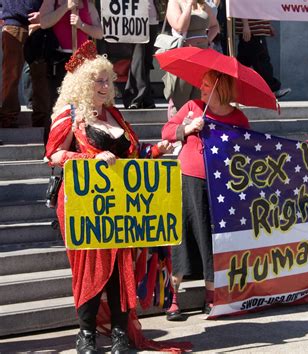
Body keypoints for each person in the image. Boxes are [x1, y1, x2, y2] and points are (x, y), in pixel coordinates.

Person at [44, 40, 175, 353]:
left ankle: (119, 333)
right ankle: (86, 334)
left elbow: (133, 155)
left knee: (120, 270)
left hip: (119, 206)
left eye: (108, 79)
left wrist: (158, 150)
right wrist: (91, 159)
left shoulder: (115, 115)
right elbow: (53, 155)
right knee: (89, 269)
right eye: (97, 80)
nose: (105, 85)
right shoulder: (70, 116)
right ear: (81, 83)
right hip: (83, 206)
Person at [161, 70, 250, 321]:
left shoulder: (238, 118)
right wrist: (188, 128)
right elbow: (166, 131)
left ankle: (211, 297)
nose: (201, 89)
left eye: (206, 85)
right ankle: (173, 298)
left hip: (221, 186)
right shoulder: (192, 107)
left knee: (212, 241)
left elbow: (246, 152)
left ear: (221, 89)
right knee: (183, 237)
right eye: (201, 84)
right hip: (188, 179)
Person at [39, 0, 102, 116]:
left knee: (81, 100)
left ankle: (78, 131)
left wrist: (81, 25)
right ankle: (56, 131)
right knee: (57, 101)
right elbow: (43, 22)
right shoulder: (52, 1)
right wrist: (65, 8)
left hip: (82, 59)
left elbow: (99, 33)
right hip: (59, 60)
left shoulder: (88, 5)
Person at [163, 0, 219, 118]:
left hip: (203, 57)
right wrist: (189, 5)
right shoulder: (174, 3)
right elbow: (180, 27)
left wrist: (207, 40)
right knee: (180, 96)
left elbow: (215, 26)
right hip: (184, 56)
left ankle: (195, 130)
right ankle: (176, 128)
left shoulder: (203, 4)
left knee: (199, 96)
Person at [0, 0, 49, 130]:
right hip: (13, 22)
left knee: (41, 73)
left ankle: (41, 118)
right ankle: (8, 116)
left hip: (40, 24)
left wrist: (44, 13)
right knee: (11, 74)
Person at [236, 18, 291, 99]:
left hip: (254, 29)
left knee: (244, 61)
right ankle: (272, 89)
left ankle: (234, 89)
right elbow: (242, 7)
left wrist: (266, 25)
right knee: (261, 60)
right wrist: (246, 25)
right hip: (253, 30)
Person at [122, 0, 164, 109]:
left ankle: (145, 98)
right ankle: (134, 97)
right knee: (138, 59)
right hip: (135, 18)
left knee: (146, 61)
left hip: (151, 19)